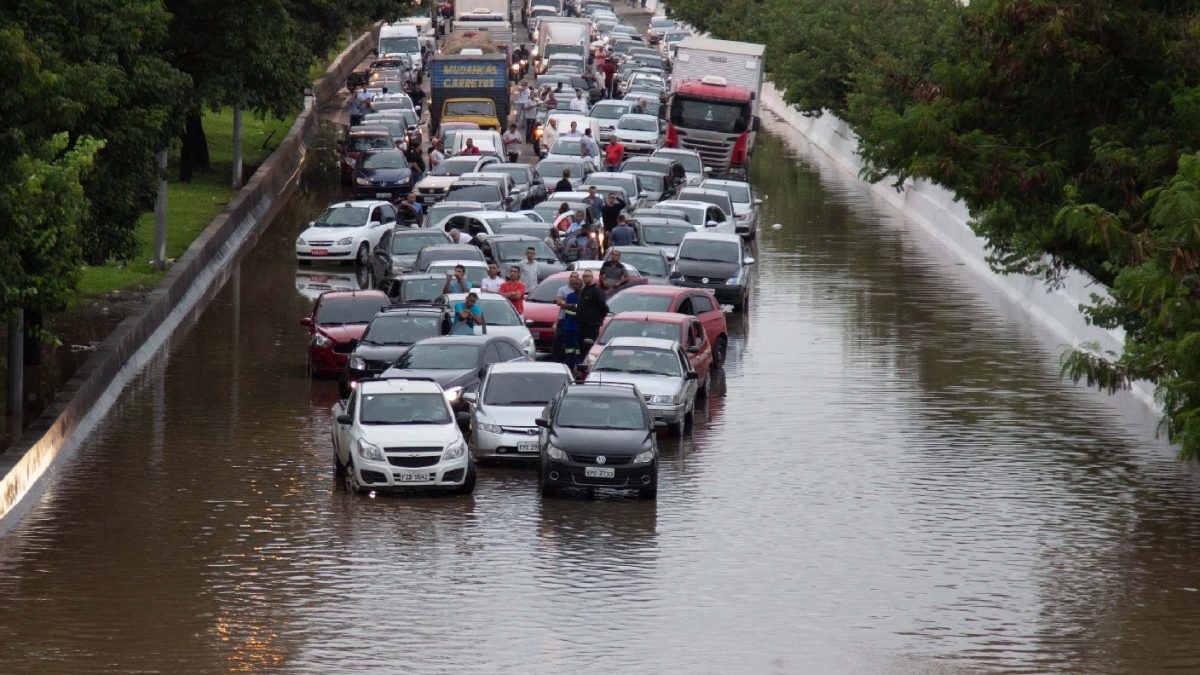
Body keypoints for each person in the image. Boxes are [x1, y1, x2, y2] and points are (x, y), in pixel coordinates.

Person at [576, 270, 609, 350]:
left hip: (592, 324)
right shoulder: (583, 290)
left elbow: (603, 306)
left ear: (592, 277)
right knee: (581, 346)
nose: (585, 278)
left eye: (587, 276)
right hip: (582, 324)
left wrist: (599, 317)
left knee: (588, 346)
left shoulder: (597, 290)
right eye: (584, 276)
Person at [557, 276, 583, 373]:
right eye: (574, 284)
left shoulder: (582, 296)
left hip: (577, 324)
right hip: (568, 323)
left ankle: (577, 364)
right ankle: (569, 364)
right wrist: (571, 306)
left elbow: (579, 308)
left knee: (577, 346)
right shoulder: (569, 296)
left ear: (581, 286)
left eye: (577, 284)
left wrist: (572, 306)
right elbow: (566, 306)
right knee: (568, 346)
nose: (575, 286)